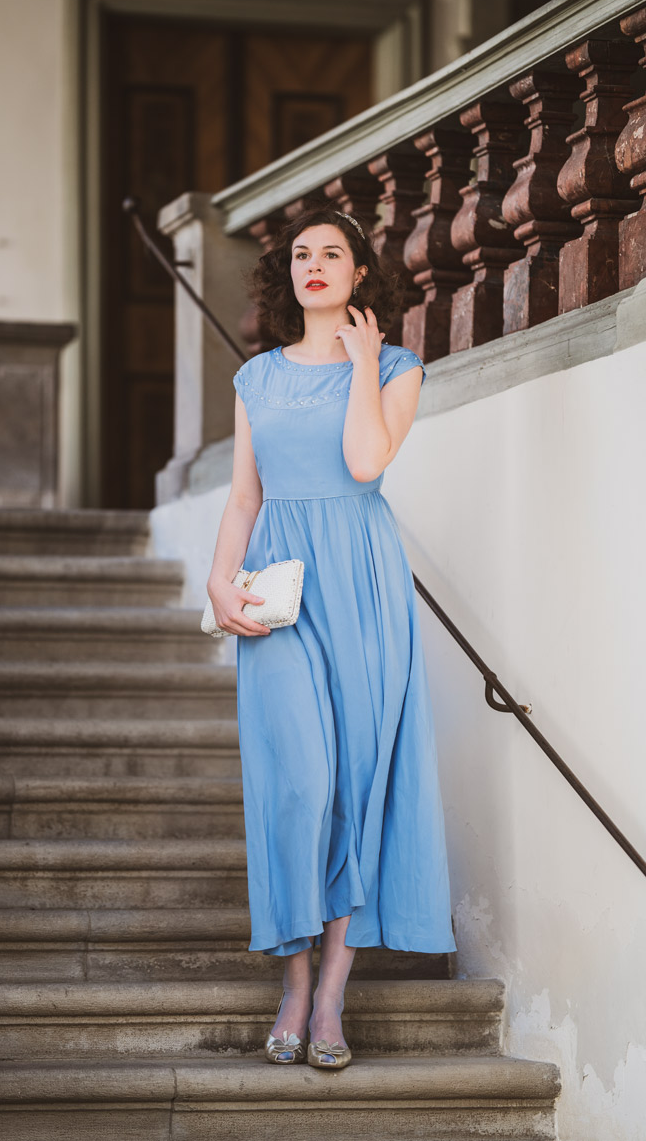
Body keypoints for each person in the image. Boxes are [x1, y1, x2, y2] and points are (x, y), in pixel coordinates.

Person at [205, 206, 456, 1071]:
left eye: (333, 254)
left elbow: (362, 465)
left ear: (358, 276)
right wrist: (217, 576)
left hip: (361, 584)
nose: (315, 265)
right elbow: (244, 496)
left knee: (356, 783)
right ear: (292, 278)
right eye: (302, 255)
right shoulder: (257, 379)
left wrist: (357, 364)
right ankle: (293, 978)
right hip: (279, 585)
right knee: (298, 785)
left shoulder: (395, 367)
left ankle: (330, 997)